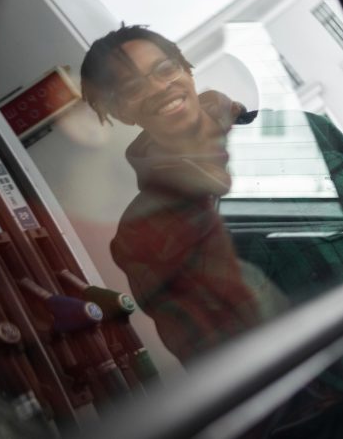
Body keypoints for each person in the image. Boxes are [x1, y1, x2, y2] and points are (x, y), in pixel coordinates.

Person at [80, 25, 287, 362]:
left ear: (186, 69)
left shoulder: (299, 136)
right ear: (120, 112)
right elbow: (209, 360)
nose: (159, 88)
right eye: (132, 88)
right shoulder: (140, 235)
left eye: (165, 69)